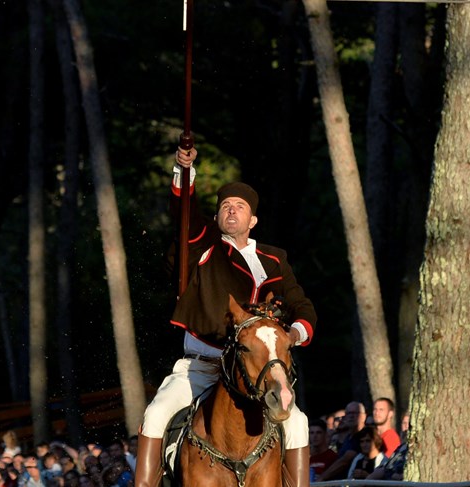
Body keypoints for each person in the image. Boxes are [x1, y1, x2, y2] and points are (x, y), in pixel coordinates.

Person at [135, 146, 318, 487]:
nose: (231, 211)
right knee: (156, 414)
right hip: (201, 368)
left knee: (298, 423)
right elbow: (184, 211)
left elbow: (302, 307)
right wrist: (184, 170)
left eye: (240, 207)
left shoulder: (274, 259)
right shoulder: (204, 243)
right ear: (218, 217)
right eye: (225, 207)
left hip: (260, 371)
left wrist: (292, 335)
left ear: (253, 220)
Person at [318, 401, 366, 480]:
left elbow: (345, 461)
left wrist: (321, 478)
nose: (351, 416)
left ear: (364, 416)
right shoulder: (348, 438)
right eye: (348, 413)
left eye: (355, 413)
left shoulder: (364, 436)